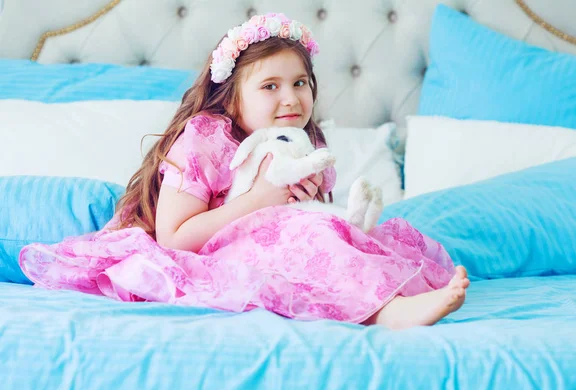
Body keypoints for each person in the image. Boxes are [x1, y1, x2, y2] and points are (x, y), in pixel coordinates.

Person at [19, 13, 469, 330]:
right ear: (232, 97)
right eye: (270, 86)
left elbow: (308, 217)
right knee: (314, 241)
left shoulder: (302, 142)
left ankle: (397, 292)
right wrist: (259, 202)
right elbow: (174, 238)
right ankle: (386, 313)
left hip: (278, 246)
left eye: (299, 84)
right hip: (210, 254)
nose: (290, 99)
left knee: (363, 237)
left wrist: (309, 205)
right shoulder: (206, 138)